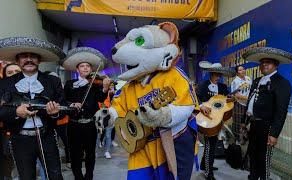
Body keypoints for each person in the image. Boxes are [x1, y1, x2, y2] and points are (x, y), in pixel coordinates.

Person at [108, 22, 198, 180]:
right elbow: (118, 108)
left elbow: (186, 105)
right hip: (141, 147)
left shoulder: (174, 75)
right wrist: (110, 115)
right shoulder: (129, 87)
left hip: (172, 141)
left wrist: (164, 115)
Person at [0, 37, 66, 180]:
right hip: (20, 139)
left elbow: (62, 107)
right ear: (18, 61)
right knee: (26, 177)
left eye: (33, 56)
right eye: (24, 56)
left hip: (46, 136)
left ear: (39, 60)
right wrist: (16, 112)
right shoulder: (5, 83)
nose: (29, 59)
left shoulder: (53, 81)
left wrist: (55, 113)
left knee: (55, 176)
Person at [241, 47, 292, 180]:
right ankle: (253, 177)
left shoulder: (282, 83)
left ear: (276, 65)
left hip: (267, 127)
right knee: (253, 155)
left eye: (268, 62)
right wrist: (244, 123)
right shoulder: (256, 81)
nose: (264, 65)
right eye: (262, 62)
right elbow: (249, 104)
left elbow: (281, 111)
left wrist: (274, 134)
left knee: (264, 159)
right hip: (253, 125)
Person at [61, 47, 110, 180]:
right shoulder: (70, 84)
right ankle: (78, 177)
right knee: (75, 154)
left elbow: (100, 98)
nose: (85, 68)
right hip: (73, 125)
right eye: (82, 66)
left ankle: (89, 176)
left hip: (90, 125)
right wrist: (71, 104)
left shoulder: (95, 84)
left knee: (90, 154)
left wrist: (105, 87)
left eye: (88, 66)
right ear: (77, 70)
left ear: (91, 69)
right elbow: (63, 100)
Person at [197, 61, 235, 180]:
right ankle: (209, 173)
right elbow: (196, 99)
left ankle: (204, 165)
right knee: (210, 144)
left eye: (219, 75)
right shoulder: (203, 85)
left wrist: (231, 99)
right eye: (216, 74)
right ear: (211, 74)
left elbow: (226, 101)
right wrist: (201, 106)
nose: (218, 77)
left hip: (218, 119)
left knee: (211, 144)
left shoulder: (223, 87)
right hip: (207, 119)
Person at [231, 65, 251, 138]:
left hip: (248, 105)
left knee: (246, 122)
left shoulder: (248, 79)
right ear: (237, 73)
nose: (242, 71)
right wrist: (248, 98)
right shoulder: (235, 81)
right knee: (238, 122)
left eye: (243, 69)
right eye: (240, 70)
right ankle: (236, 140)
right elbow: (236, 95)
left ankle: (244, 138)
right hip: (239, 104)